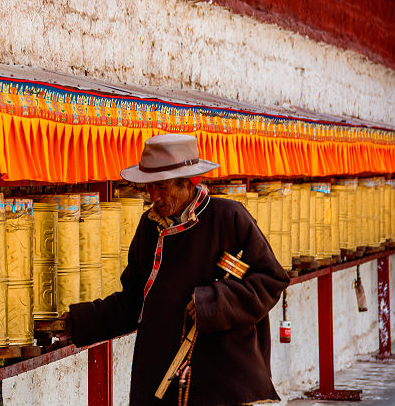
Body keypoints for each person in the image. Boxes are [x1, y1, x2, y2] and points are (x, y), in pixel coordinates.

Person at [56, 134, 290, 405]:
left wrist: (213, 302)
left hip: (221, 381)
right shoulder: (149, 227)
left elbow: (272, 279)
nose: (153, 196)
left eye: (161, 187)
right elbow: (134, 302)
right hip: (160, 379)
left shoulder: (229, 218)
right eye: (149, 188)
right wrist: (79, 322)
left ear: (188, 182)